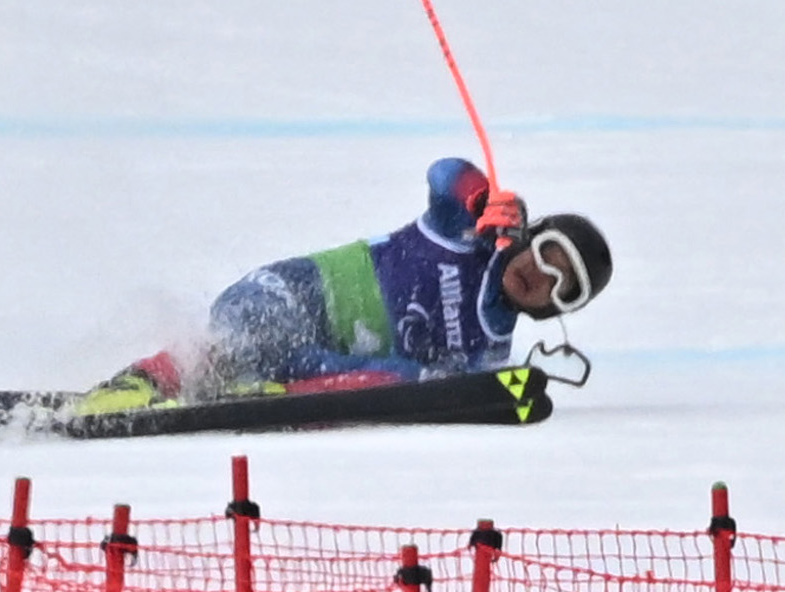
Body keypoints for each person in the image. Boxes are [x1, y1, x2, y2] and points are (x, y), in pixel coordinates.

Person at [75, 157, 612, 414]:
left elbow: (468, 393)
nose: (539, 276)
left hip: (317, 362)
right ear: (529, 237)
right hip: (296, 293)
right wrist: (479, 198)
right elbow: (445, 173)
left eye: (559, 289)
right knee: (250, 334)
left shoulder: (489, 347)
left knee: (406, 379)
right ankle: (140, 382)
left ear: (552, 310)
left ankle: (266, 393)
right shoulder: (465, 233)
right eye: (547, 255)